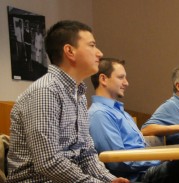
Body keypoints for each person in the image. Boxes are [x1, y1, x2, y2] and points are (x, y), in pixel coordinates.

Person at [6, 20, 128, 183]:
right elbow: (48, 162)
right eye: (92, 45)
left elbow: (86, 154)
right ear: (70, 51)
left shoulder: (79, 94)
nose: (99, 53)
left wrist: (109, 179)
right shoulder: (45, 91)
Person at [89, 58, 179, 183]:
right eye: (121, 77)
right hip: (137, 177)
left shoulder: (121, 112)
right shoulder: (99, 114)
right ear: (103, 79)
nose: (126, 83)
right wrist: (161, 159)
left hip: (147, 169)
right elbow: (118, 162)